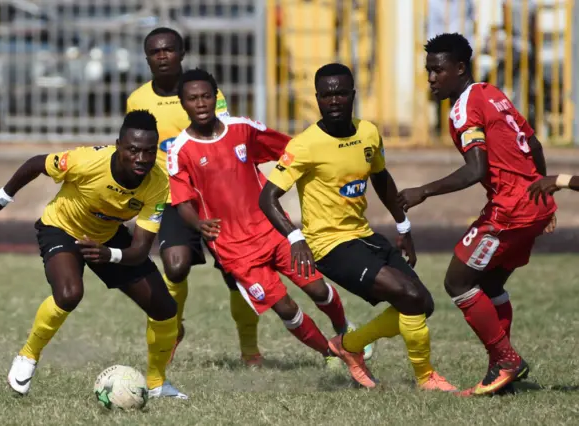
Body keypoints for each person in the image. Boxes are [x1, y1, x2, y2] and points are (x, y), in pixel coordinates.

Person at [259, 63, 456, 391]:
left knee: (422, 303)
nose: (333, 100)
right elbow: (268, 198)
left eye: (340, 93)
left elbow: (381, 178)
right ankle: (426, 378)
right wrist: (295, 238)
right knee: (407, 295)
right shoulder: (305, 144)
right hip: (329, 246)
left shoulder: (368, 132)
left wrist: (404, 225)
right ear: (318, 99)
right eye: (326, 95)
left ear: (353, 95)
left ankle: (349, 346)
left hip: (363, 236)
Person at [167, 68, 364, 368]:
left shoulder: (242, 129)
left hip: (273, 231)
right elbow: (182, 202)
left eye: (206, 96)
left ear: (216, 97)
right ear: (183, 103)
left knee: (317, 288)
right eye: (193, 99)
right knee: (285, 308)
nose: (201, 103)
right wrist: (198, 224)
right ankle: (331, 354)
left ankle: (343, 329)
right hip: (234, 248)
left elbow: (292, 150)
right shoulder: (180, 151)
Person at [397, 33, 557, 396]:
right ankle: (501, 374)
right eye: (428, 71)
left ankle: (505, 360)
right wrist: (542, 192)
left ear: (459, 68)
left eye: (438, 70)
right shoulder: (491, 92)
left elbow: (475, 170)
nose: (432, 78)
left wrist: (422, 191)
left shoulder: (463, 108)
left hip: (511, 207)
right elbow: (533, 143)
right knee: (492, 284)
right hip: (532, 200)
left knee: (457, 280)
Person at [0, 110, 187, 399]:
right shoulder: (87, 161)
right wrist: (3, 196)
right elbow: (36, 164)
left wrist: (110, 255)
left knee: (165, 309)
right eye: (132, 150)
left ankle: (157, 384)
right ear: (118, 145)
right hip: (61, 228)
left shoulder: (158, 182)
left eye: (148, 152)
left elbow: (141, 250)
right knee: (69, 294)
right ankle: (28, 355)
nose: (141, 159)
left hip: (107, 238)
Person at [126, 27, 261, 366]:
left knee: (237, 275)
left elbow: (223, 138)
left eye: (169, 49)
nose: (162, 56)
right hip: (173, 195)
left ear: (182, 53)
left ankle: (249, 350)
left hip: (214, 194)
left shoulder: (204, 92)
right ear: (147, 59)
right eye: (155, 51)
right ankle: (173, 328)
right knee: (175, 265)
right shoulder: (137, 100)